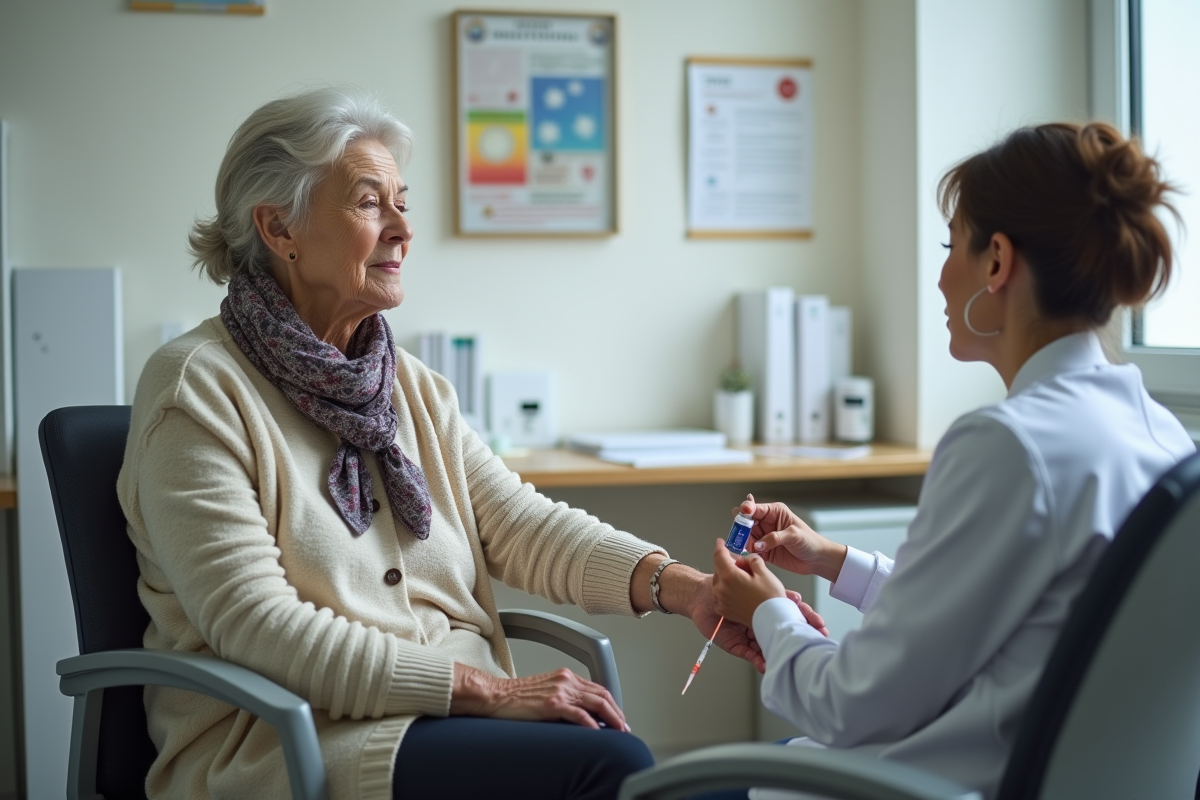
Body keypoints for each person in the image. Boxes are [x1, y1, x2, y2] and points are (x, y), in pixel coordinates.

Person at [117, 86, 822, 800]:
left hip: (445, 718)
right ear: (279, 228)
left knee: (623, 759)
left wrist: (689, 590)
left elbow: (519, 525)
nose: (402, 228)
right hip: (290, 742)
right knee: (610, 767)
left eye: (402, 202)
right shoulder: (196, 391)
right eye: (368, 203)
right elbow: (258, 625)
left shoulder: (408, 386)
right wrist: (481, 688)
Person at [709, 121, 1196, 800]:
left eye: (950, 246)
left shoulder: (1008, 445)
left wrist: (768, 612)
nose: (941, 278)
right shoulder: (1162, 438)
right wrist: (831, 561)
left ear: (996, 261)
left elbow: (847, 706)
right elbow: (1002, 613)